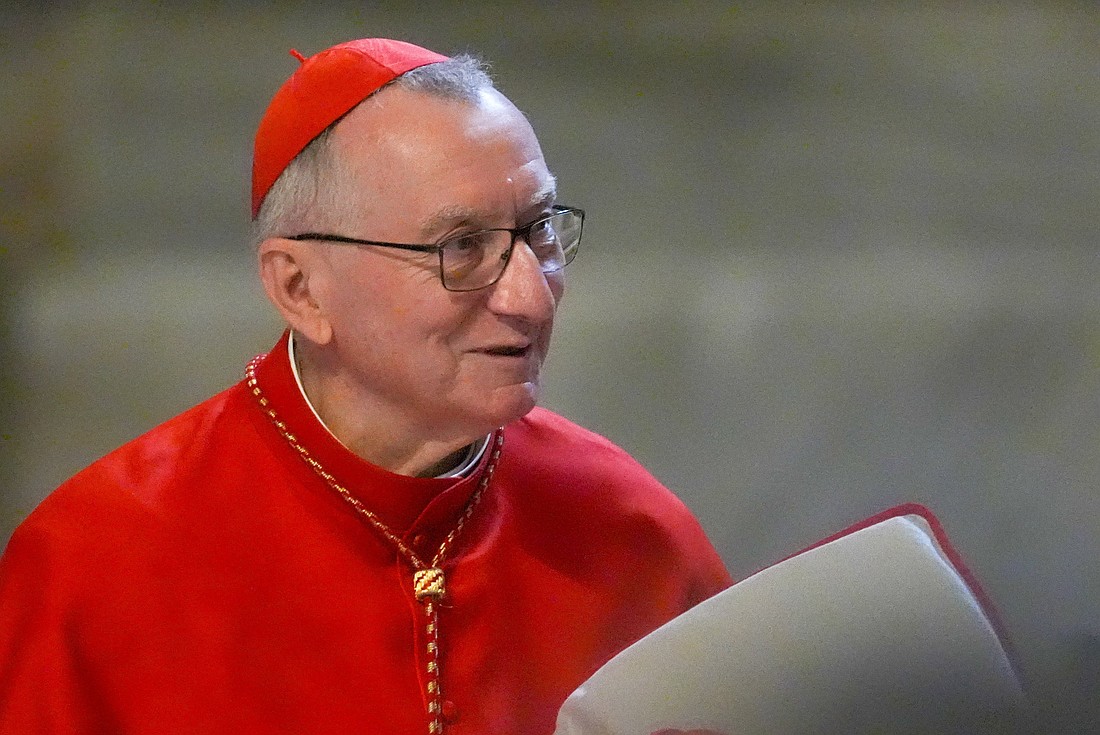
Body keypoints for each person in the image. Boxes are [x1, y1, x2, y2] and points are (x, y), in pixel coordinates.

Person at [0, 38, 731, 734]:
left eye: (537, 228)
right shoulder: (96, 566)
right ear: (301, 289)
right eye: (462, 247)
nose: (531, 299)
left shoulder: (632, 536)